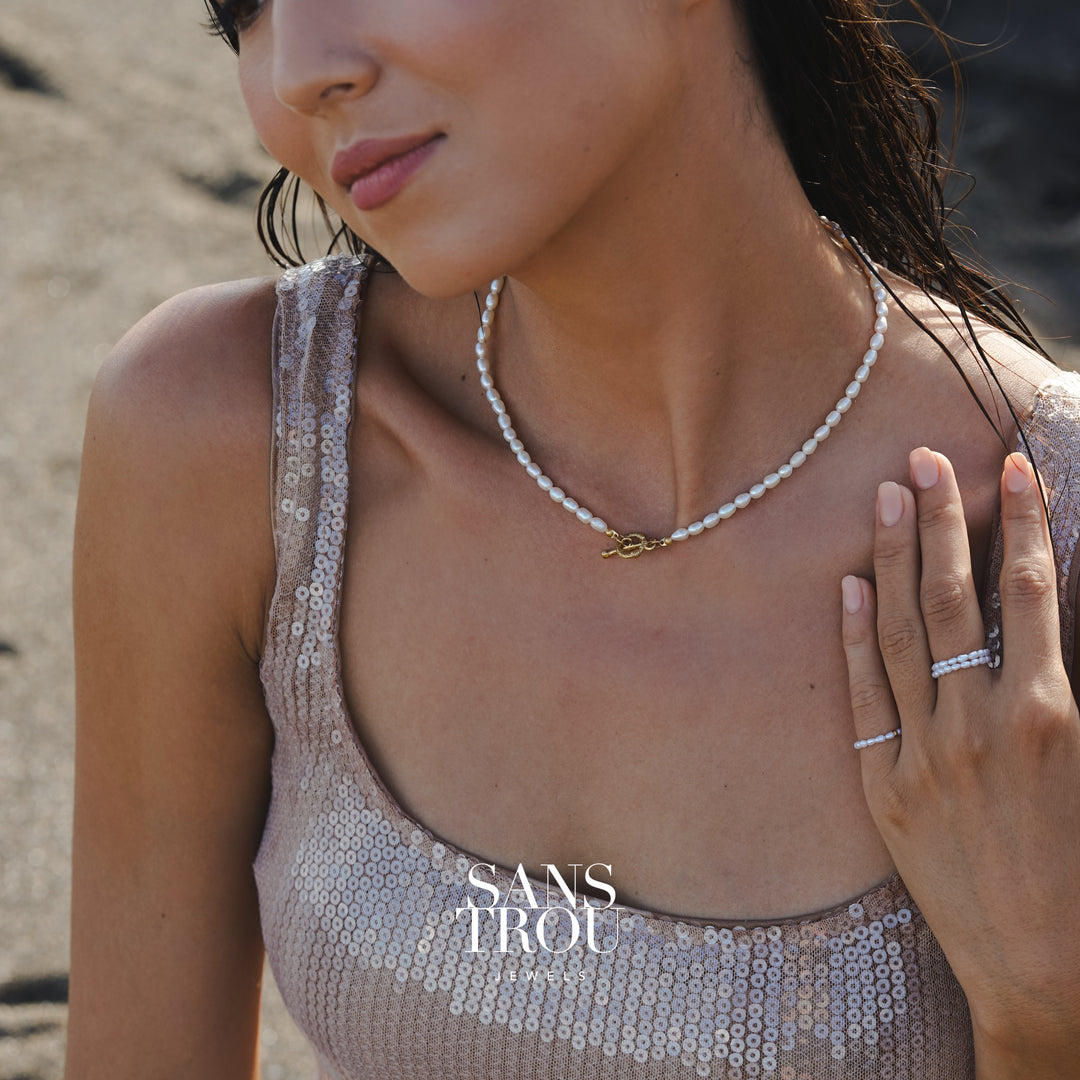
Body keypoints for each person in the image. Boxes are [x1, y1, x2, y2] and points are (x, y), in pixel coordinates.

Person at [64, 0, 1079, 1077]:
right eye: (244, 13)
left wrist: (1043, 1010)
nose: (299, 70)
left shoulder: (1039, 546)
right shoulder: (242, 441)